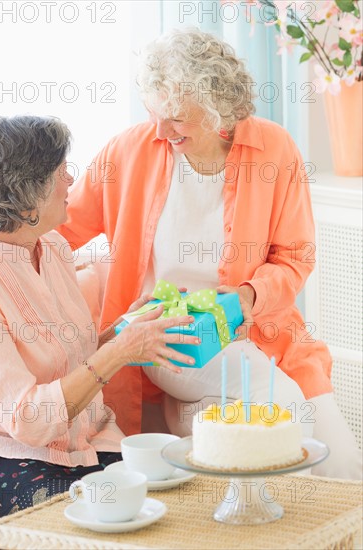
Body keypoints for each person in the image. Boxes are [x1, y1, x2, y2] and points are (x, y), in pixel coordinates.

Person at [58, 28, 362, 480]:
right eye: (154, 112)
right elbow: (58, 228)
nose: (160, 130)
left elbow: (295, 255)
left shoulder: (274, 149)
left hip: (263, 330)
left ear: (220, 110)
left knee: (346, 474)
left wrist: (247, 297)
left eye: (177, 117)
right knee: (285, 410)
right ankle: (274, 531)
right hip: (171, 335)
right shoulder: (129, 150)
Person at [0, 115, 200, 547]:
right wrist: (116, 354)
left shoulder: (54, 247)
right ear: (26, 201)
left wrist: (121, 332)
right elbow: (28, 419)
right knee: (101, 531)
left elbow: (70, 354)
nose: (71, 180)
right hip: (14, 456)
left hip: (91, 441)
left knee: (175, 506)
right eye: (60, 173)